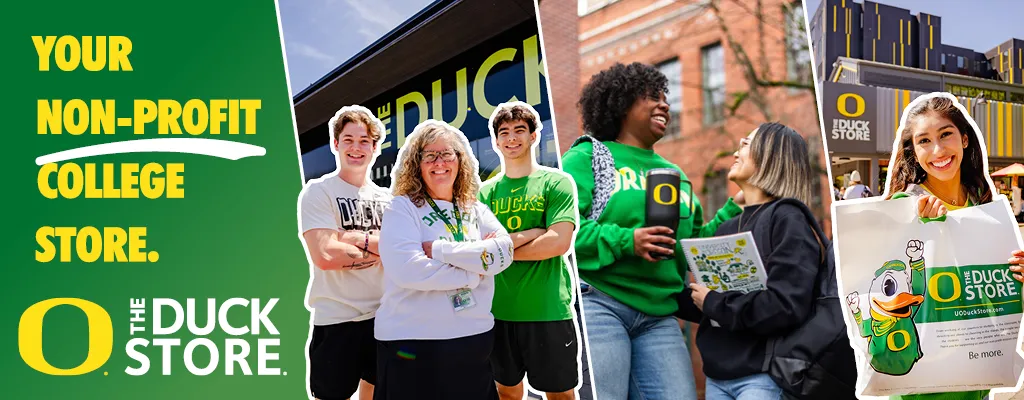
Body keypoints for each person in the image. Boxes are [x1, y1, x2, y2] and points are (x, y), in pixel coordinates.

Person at [560, 62, 743, 400]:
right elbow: (563, 233)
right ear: (622, 103)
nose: (665, 105)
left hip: (660, 314)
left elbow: (692, 246)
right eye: (652, 97)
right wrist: (629, 241)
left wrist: (736, 206)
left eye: (666, 99)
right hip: (599, 303)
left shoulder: (674, 173)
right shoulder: (585, 158)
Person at [884, 94, 1024, 400]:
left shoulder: (983, 206)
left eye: (945, 135)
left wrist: (1018, 271)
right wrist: (916, 236)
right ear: (914, 152)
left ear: (964, 139)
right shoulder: (904, 207)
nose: (937, 150)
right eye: (924, 141)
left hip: (977, 373)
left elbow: (992, 287)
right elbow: (883, 288)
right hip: (923, 382)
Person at [677, 123, 822, 399]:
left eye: (746, 144)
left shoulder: (788, 219)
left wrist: (713, 302)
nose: (735, 151)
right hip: (718, 376)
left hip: (766, 375)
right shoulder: (727, 227)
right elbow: (718, 308)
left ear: (772, 156)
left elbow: (785, 306)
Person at [375, 120, 514, 400]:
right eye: (430, 155)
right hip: (413, 344)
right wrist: (473, 272)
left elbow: (504, 252)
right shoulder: (402, 207)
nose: (440, 162)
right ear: (418, 164)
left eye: (447, 153)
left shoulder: (475, 209)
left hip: (473, 341)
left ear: (460, 160)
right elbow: (408, 270)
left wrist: (440, 251)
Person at [480, 102, 581, 400]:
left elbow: (558, 243)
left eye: (519, 131)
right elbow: (480, 251)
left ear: (534, 136)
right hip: (498, 311)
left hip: (547, 309)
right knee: (507, 393)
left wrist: (501, 252)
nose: (512, 139)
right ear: (496, 141)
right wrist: (531, 234)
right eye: (505, 132)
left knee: (560, 395)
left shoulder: (556, 182)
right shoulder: (485, 193)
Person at [299, 105, 391, 400]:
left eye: (364, 140)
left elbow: (401, 251)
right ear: (335, 144)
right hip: (337, 319)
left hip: (383, 316)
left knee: (378, 392)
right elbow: (325, 256)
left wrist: (350, 238)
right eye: (348, 140)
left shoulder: (388, 199)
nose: (356, 148)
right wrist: (378, 247)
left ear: (375, 147)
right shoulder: (318, 192)